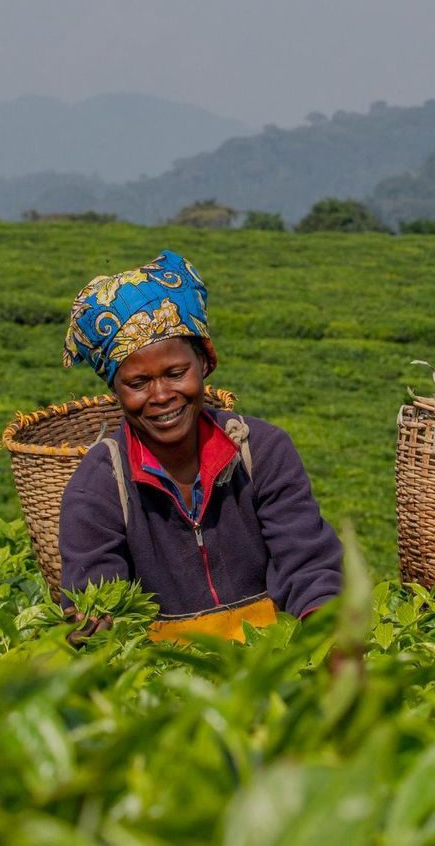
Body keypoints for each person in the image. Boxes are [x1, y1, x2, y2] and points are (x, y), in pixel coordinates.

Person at [57, 250, 343, 641]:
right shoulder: (102, 481)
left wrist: (327, 634)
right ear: (116, 391)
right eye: (138, 383)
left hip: (273, 655)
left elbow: (307, 562)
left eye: (176, 373)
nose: (161, 395)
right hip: (161, 673)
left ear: (204, 365)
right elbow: (95, 589)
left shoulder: (260, 450)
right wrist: (94, 625)